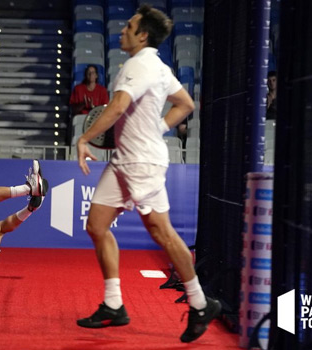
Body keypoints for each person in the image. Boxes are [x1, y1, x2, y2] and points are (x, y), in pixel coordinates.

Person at [75, 5, 221, 343]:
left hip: (141, 163)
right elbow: (185, 103)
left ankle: (201, 303)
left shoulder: (139, 64)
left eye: (129, 26)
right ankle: (113, 304)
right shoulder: (158, 65)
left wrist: (84, 138)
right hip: (125, 160)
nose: (122, 30)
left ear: (143, 35)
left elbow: (119, 105)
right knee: (96, 225)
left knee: (163, 233)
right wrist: (157, 128)